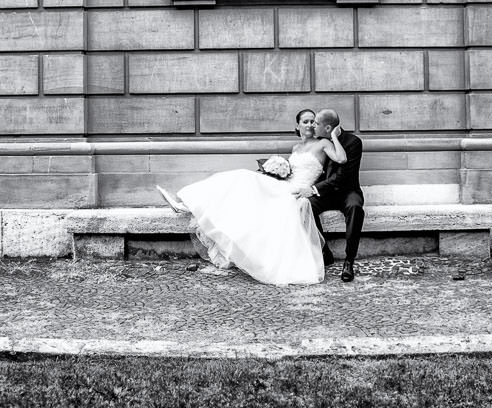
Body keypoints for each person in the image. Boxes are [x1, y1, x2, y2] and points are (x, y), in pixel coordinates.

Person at [156, 109, 346, 285]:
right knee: (239, 183)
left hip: (297, 192)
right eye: (306, 121)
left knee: (242, 177)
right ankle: (186, 204)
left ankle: (186, 205)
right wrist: (276, 170)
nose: (310, 124)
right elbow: (290, 172)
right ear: (297, 126)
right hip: (284, 186)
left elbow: (341, 159)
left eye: (313, 121)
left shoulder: (323, 143)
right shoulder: (296, 147)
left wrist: (334, 136)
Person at [303, 108, 364, 283]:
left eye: (316, 123)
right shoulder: (320, 142)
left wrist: (314, 188)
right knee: (307, 205)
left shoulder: (353, 142)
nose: (313, 126)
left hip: (348, 191)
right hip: (327, 193)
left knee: (355, 208)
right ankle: (325, 252)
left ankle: (349, 260)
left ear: (328, 128)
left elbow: (342, 177)